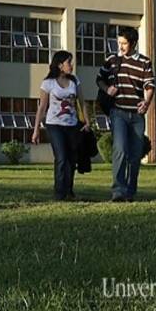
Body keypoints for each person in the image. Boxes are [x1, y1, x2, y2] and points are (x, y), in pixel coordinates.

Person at [96, 27, 155, 202]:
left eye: (124, 43)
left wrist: (147, 102)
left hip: (137, 115)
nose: (120, 46)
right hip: (118, 112)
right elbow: (99, 79)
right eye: (119, 42)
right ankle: (118, 191)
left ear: (134, 43)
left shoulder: (144, 62)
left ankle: (130, 191)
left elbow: (150, 85)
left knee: (135, 156)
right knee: (120, 149)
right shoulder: (112, 60)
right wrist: (108, 89)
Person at [32, 50, 91, 201]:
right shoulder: (48, 83)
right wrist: (36, 129)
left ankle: (69, 190)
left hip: (72, 125)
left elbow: (82, 102)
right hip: (54, 125)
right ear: (60, 65)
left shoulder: (74, 81)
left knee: (72, 158)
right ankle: (59, 192)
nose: (71, 65)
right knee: (61, 157)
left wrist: (87, 121)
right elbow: (42, 107)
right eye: (68, 62)